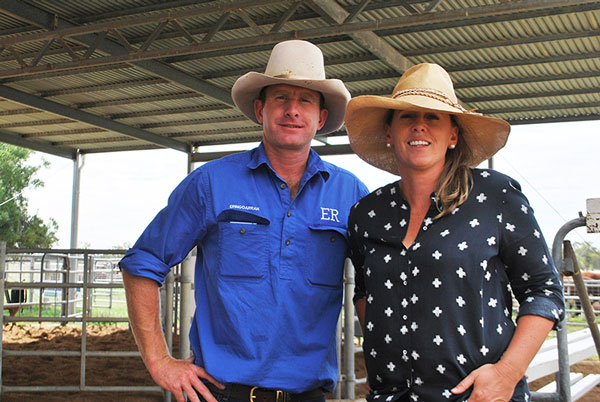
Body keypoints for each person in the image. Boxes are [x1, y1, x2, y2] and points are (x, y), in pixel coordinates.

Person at [119, 40, 369, 402]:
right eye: (281, 98)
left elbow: (374, 287)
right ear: (260, 109)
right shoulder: (212, 183)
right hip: (220, 392)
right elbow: (143, 262)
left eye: (305, 101)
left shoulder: (349, 193)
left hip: (308, 395)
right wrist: (159, 361)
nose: (292, 111)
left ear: (321, 117)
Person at [345, 63, 564, 402]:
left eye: (433, 117)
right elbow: (364, 291)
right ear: (389, 133)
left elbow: (544, 289)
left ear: (452, 135)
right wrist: (381, 362)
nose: (419, 124)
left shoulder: (495, 196)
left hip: (477, 396)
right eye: (407, 116)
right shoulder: (368, 213)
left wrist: (506, 374)